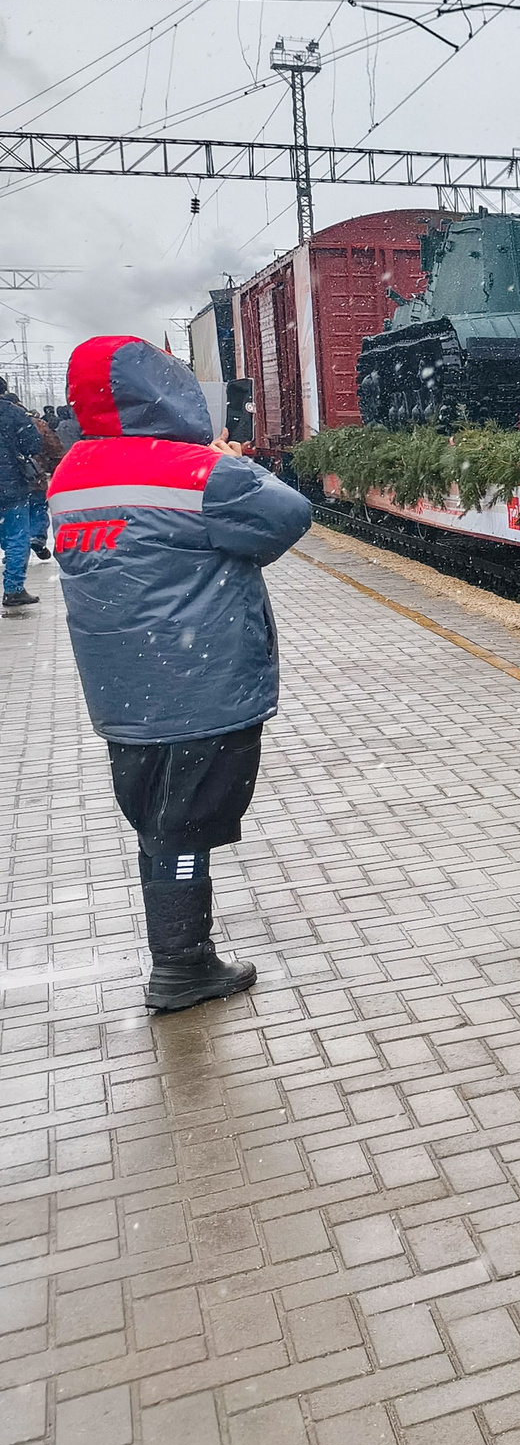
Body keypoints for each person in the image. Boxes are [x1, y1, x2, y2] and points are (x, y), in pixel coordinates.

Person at [50, 335, 311, 1013]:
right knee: (185, 827)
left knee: (158, 820)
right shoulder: (197, 473)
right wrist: (228, 464)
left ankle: (180, 955)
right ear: (163, 389)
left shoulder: (71, 474)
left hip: (122, 688)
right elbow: (287, 517)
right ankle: (182, 967)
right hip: (200, 683)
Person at [0, 375, 58, 607]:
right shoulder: (13, 413)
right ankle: (13, 589)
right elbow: (32, 444)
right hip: (11, 483)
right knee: (17, 536)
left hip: (10, 482)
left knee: (11, 535)